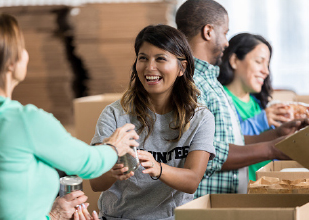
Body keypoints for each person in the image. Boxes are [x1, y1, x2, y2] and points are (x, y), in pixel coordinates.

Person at [0, 8, 139, 220]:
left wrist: (52, 216)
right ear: (11, 62)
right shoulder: (25, 121)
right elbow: (88, 164)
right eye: (22, 47)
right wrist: (113, 147)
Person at [176, 0, 309, 197]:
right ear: (208, 32)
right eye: (225, 33)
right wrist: (271, 149)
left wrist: (276, 135)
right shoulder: (190, 83)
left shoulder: (210, 82)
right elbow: (203, 155)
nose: (227, 42)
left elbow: (227, 142)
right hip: (204, 205)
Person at [90, 24, 215, 220]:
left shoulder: (200, 118)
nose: (150, 67)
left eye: (160, 59)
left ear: (182, 67)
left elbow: (192, 180)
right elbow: (96, 183)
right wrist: (112, 170)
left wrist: (158, 168)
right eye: (143, 58)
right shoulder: (115, 114)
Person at [217, 33, 293, 181]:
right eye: (259, 62)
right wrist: (261, 121)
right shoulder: (220, 99)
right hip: (240, 193)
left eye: (267, 64)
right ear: (234, 60)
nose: (266, 71)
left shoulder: (258, 104)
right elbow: (224, 144)